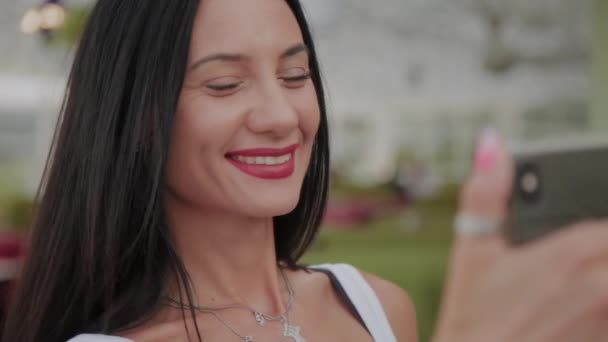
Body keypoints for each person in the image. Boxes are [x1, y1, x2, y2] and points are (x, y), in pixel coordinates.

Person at [3, 1, 608, 341]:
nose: (280, 115)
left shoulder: (375, 306)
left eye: (296, 76)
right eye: (224, 84)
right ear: (137, 119)